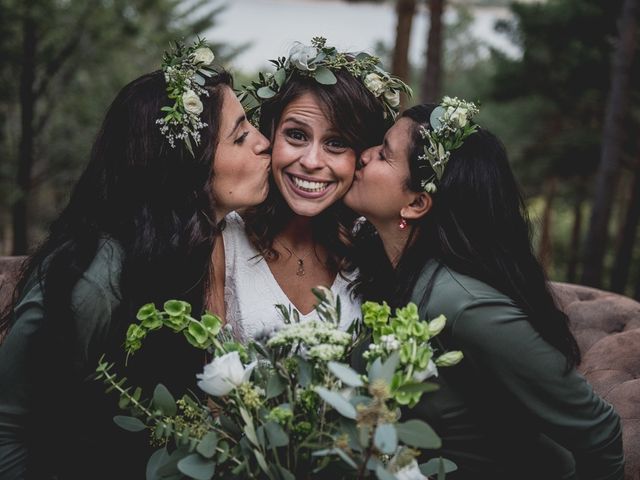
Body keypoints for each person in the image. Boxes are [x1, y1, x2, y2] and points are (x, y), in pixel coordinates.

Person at [0, 40, 270, 479]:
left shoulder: (202, 246)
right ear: (188, 166)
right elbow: (8, 425)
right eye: (241, 136)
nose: (264, 143)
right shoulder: (93, 281)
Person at [344, 99, 624, 479]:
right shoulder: (389, 272)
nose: (363, 156)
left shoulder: (463, 305)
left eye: (383, 154)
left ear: (416, 202)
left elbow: (600, 430)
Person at [214, 37, 409, 340]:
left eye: (336, 143)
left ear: (362, 155)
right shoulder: (225, 242)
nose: (311, 161)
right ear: (270, 134)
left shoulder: (376, 248)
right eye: (296, 135)